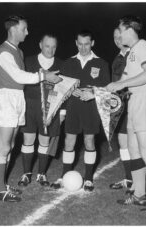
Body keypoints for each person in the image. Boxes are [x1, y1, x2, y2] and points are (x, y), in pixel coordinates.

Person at [0, 15, 61, 202]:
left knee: (11, 145)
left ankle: (2, 186)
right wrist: (44, 75)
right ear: (13, 29)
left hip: (17, 99)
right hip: (7, 99)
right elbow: (18, 76)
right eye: (24, 29)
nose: (27, 32)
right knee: (4, 147)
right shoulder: (4, 51)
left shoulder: (18, 52)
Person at [106, 15, 146, 213]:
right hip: (134, 99)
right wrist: (99, 92)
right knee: (134, 150)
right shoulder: (132, 52)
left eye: (120, 29)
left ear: (128, 29)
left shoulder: (143, 46)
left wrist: (121, 83)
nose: (118, 34)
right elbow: (121, 84)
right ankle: (139, 195)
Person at [50, 30, 110, 191]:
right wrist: (69, 94)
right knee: (69, 140)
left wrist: (92, 93)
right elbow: (61, 88)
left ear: (92, 43)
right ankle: (64, 175)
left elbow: (107, 89)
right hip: (72, 107)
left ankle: (89, 178)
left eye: (87, 44)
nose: (83, 48)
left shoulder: (102, 63)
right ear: (76, 43)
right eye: (80, 44)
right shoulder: (68, 63)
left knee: (89, 140)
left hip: (91, 108)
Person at [17, 34, 65, 187]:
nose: (50, 49)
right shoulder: (28, 61)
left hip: (50, 107)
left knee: (44, 141)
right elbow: (20, 82)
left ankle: (41, 174)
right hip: (30, 105)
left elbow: (64, 90)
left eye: (53, 46)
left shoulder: (61, 64)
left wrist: (62, 112)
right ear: (40, 45)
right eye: (47, 46)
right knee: (28, 140)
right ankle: (26, 174)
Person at [108, 28, 133, 192]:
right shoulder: (117, 58)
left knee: (136, 145)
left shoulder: (135, 54)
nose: (118, 39)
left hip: (135, 105)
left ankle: (138, 183)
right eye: (115, 37)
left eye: (120, 36)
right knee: (123, 143)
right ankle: (129, 179)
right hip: (120, 107)